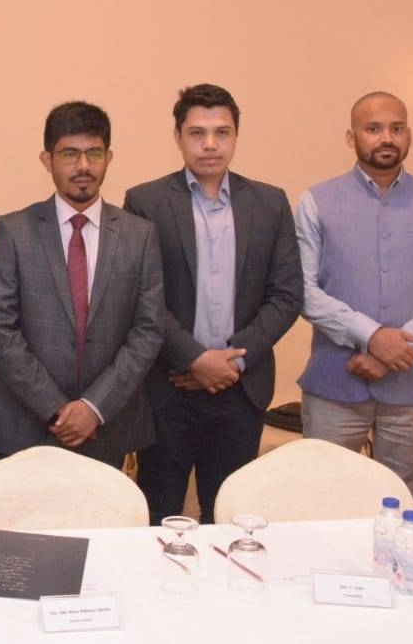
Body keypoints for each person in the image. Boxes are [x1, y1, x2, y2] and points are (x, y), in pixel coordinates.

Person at [124, 85, 303, 525]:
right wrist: (194, 358)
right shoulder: (145, 202)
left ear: (236, 136)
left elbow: (286, 294)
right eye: (197, 132)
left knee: (229, 514)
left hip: (240, 390)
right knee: (160, 512)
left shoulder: (270, 202)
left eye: (221, 132)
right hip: (169, 387)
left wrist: (231, 363)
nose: (210, 144)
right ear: (178, 136)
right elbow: (141, 296)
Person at [296, 91, 413, 503]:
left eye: (396, 128)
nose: (386, 138)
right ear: (351, 137)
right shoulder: (316, 202)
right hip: (333, 385)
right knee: (321, 501)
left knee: (402, 504)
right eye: (373, 129)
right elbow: (302, 291)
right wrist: (372, 336)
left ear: (408, 135)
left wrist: (393, 348)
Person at [0, 101, 164, 471]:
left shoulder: (139, 235)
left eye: (93, 153)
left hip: (107, 428)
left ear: (108, 158)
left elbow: (148, 330)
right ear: (47, 160)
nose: (83, 166)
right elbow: (0, 329)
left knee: (104, 528)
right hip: (26, 426)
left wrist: (94, 407)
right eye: (69, 154)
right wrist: (55, 408)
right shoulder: (13, 231)